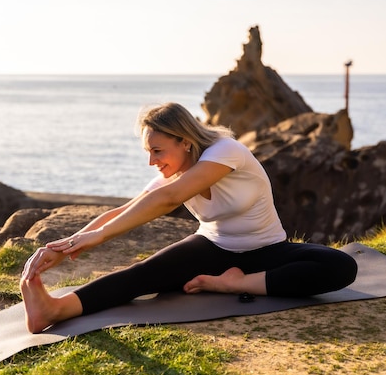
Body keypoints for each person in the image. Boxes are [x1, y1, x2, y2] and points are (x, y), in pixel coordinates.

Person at [21, 102, 357, 333]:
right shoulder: (172, 173)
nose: (152, 162)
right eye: (148, 152)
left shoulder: (226, 151)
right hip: (211, 248)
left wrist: (99, 237)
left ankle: (233, 283)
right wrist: (64, 246)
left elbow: (167, 200)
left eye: (158, 151)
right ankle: (54, 310)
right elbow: (123, 211)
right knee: (143, 274)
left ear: (185, 142)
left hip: (268, 250)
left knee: (341, 266)